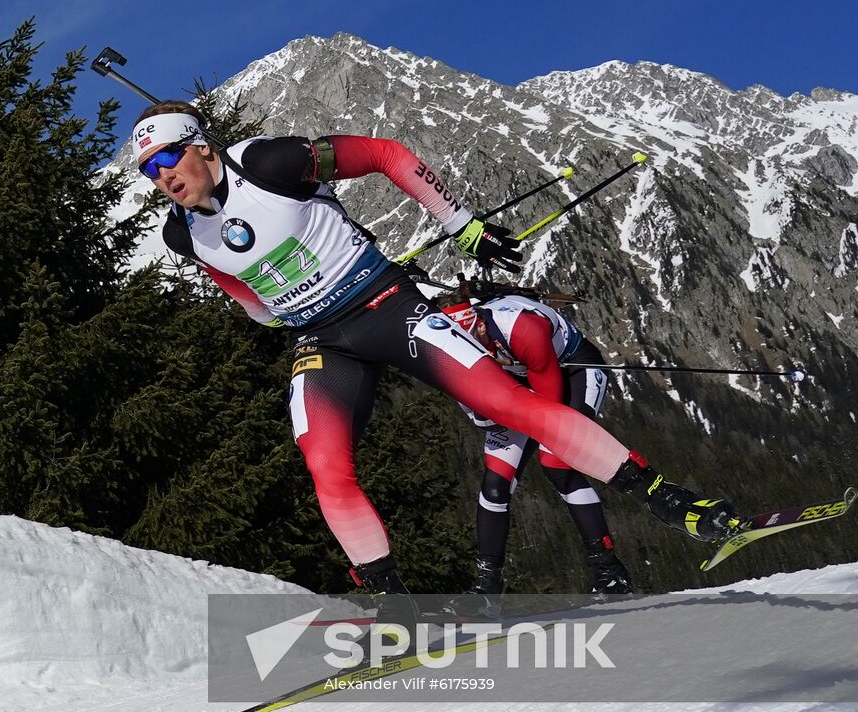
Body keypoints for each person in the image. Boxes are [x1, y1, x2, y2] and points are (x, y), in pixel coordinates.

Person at [133, 100, 743, 595]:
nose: (161, 177)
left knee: (508, 403)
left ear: (201, 146)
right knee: (325, 465)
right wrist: (276, 315)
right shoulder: (180, 234)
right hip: (320, 340)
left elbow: (382, 154)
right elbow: (238, 287)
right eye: (147, 170)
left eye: (166, 157)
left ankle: (676, 505)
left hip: (385, 307)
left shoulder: (267, 162)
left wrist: (461, 224)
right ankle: (394, 608)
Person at [438, 286, 634, 598]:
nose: (473, 355)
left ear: (481, 325)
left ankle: (609, 571)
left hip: (572, 369)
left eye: (476, 345)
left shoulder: (522, 329)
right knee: (494, 485)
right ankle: (487, 585)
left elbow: (549, 411)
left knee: (558, 464)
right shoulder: (449, 351)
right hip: (521, 381)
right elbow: (479, 416)